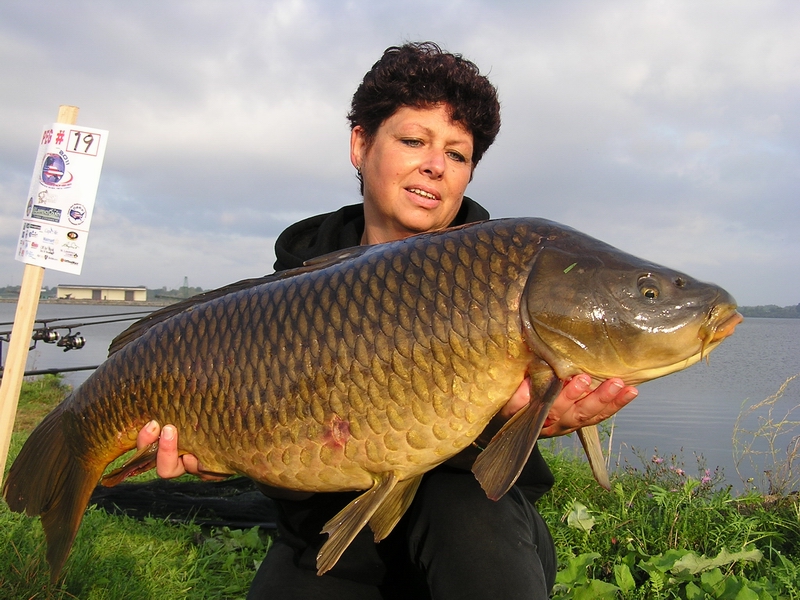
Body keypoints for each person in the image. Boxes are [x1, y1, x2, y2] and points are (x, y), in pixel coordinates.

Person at [136, 42, 637, 599]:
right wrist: (225, 451)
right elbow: (292, 470)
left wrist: (524, 420)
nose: (435, 165)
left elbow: (500, 466)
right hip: (331, 533)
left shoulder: (503, 278)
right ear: (360, 144)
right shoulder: (284, 302)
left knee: (466, 518)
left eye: (458, 153)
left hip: (475, 527)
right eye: (413, 140)